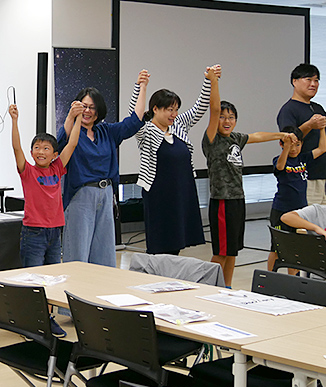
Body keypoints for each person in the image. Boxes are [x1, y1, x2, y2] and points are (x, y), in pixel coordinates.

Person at [57, 70, 148, 266]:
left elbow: (134, 122)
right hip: (81, 195)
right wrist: (71, 117)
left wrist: (142, 87)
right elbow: (60, 144)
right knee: (78, 253)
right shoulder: (72, 132)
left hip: (106, 194)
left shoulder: (107, 131)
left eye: (92, 107)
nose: (88, 111)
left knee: (105, 252)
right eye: (84, 106)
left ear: (99, 110)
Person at [8, 102, 81, 337]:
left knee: (50, 280)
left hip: (55, 232)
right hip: (34, 233)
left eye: (46, 148)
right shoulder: (28, 171)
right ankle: (30, 323)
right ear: (32, 153)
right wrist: (15, 120)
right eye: (37, 148)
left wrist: (79, 118)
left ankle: (47, 319)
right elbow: (16, 148)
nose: (40, 151)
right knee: (33, 280)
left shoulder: (57, 168)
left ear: (54, 154)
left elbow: (72, 143)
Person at [202, 97, 290, 288]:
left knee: (232, 251)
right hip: (222, 202)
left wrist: (281, 135)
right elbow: (214, 109)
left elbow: (257, 136)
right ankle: (207, 287)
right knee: (221, 253)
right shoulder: (212, 140)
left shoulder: (236, 138)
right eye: (222, 117)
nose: (227, 121)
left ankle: (227, 287)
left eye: (231, 117)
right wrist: (214, 82)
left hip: (237, 200)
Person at [134, 65, 219, 255]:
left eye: (176, 109)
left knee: (177, 242)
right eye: (169, 110)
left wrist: (209, 81)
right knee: (160, 245)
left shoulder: (178, 125)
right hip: (158, 195)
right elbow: (135, 115)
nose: (174, 114)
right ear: (155, 109)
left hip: (182, 191)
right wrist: (140, 87)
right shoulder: (145, 130)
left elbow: (199, 108)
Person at [268, 125, 326, 271]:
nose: (294, 149)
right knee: (277, 248)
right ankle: (271, 276)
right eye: (290, 145)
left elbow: (322, 148)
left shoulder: (303, 158)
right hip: (281, 210)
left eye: (297, 145)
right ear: (281, 144)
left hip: (299, 212)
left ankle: (293, 279)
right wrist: (287, 145)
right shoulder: (279, 159)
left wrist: (322, 129)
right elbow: (280, 167)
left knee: (297, 249)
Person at [276, 64, 326, 205]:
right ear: (295, 81)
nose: (313, 84)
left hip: (323, 173)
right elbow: (289, 139)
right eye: (308, 79)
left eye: (316, 80)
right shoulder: (288, 110)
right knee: (310, 216)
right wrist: (309, 125)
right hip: (306, 176)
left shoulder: (318, 108)